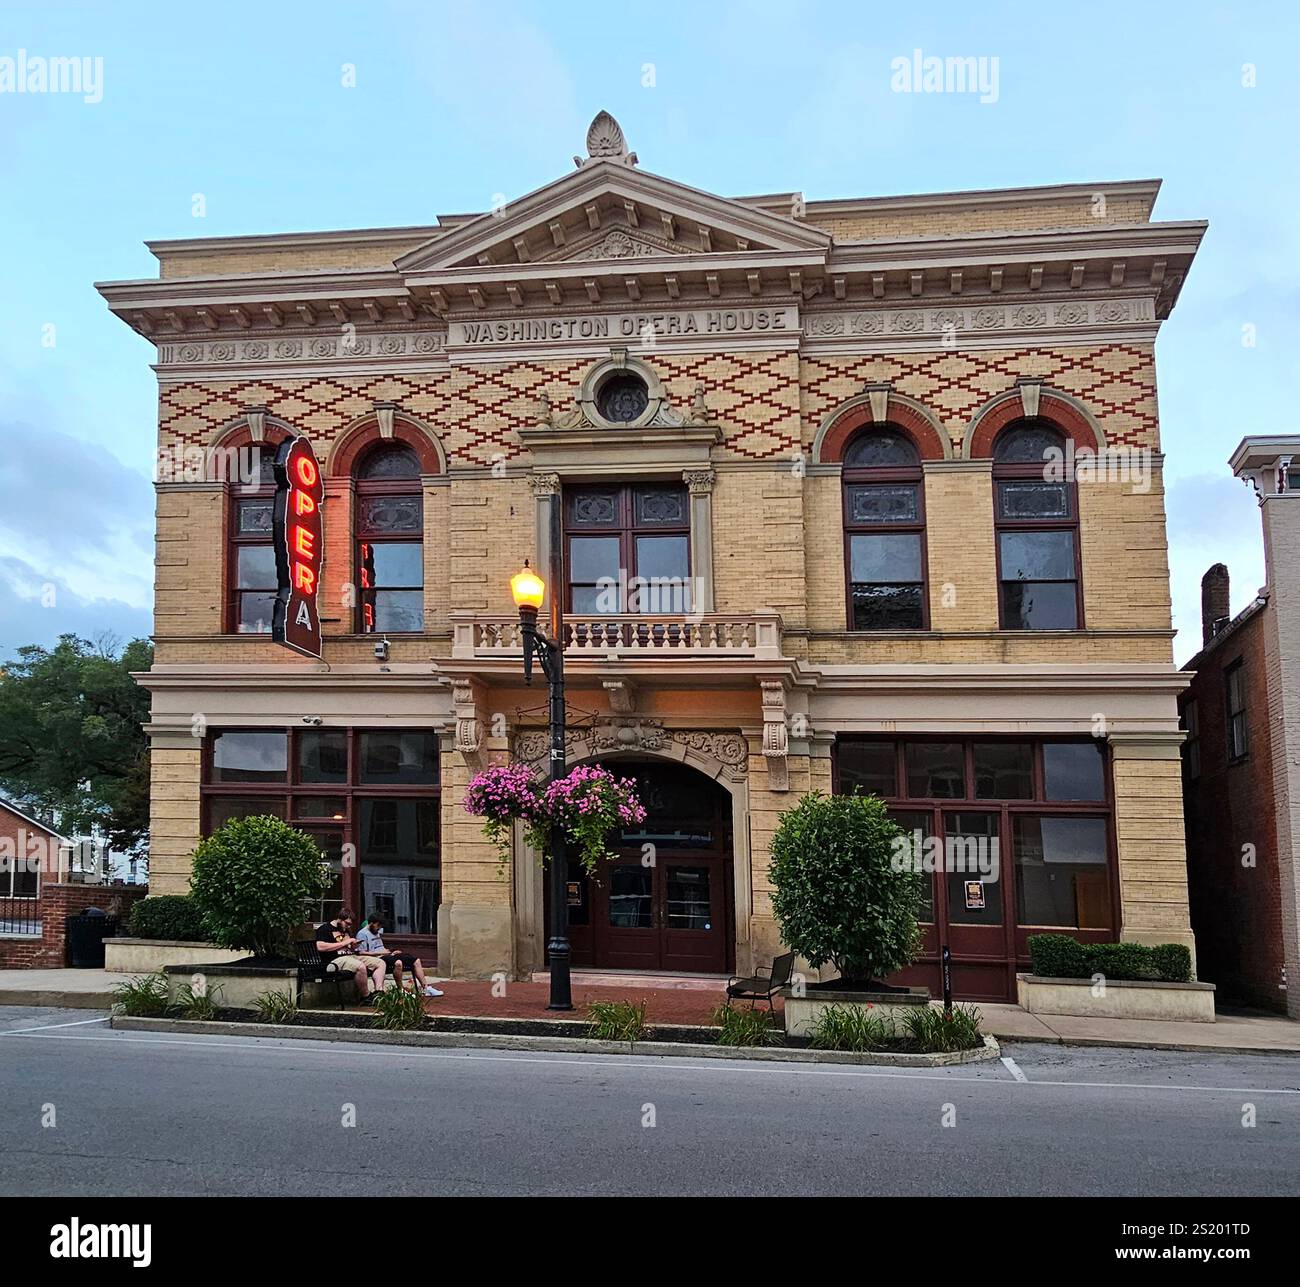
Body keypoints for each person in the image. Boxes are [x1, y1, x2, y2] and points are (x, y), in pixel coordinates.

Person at [355, 912, 443, 998]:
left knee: (415, 960)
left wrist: (391, 951)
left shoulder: (375, 932)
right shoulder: (362, 934)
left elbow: (380, 947)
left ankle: (426, 988)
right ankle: (400, 990)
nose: (379, 928)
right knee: (398, 963)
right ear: (371, 923)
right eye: (378, 925)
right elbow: (361, 952)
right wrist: (383, 953)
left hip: (385, 954)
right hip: (377, 958)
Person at [314, 909, 387, 1002]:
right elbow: (320, 946)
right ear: (339, 919)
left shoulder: (346, 930)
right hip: (334, 960)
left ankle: (379, 992)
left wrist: (353, 945)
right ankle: (366, 996)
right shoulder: (325, 929)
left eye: (350, 925)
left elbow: (350, 948)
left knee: (380, 963)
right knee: (360, 966)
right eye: (347, 923)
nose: (348, 926)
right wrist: (344, 943)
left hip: (350, 956)